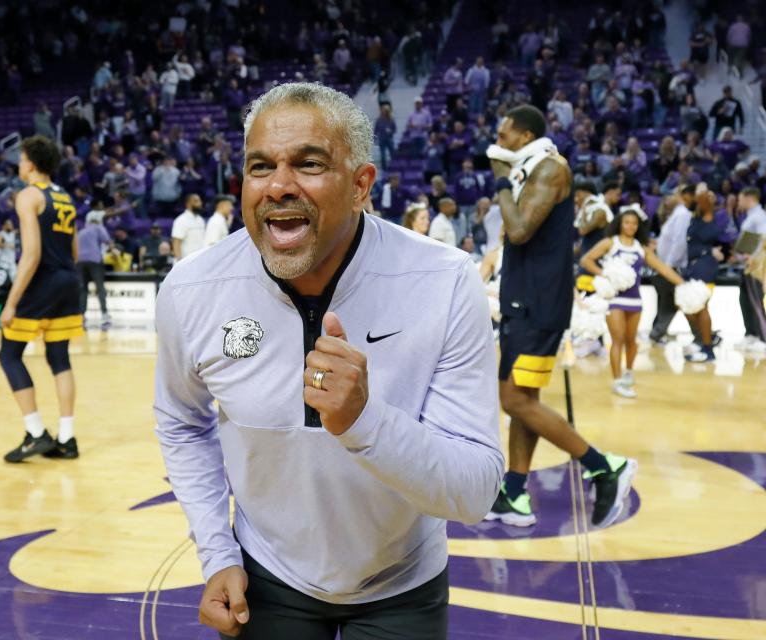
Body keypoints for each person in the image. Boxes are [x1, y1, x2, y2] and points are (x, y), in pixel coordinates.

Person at [155, 82, 502, 640]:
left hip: (403, 579)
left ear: (362, 185)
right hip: (265, 572)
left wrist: (365, 423)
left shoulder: (444, 280)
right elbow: (179, 421)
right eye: (260, 166)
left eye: (309, 164)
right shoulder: (192, 289)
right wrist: (217, 551)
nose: (279, 186)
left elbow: (475, 492)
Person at [486, 105, 637, 528]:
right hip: (525, 297)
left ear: (524, 133)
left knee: (514, 399)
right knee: (523, 401)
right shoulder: (532, 167)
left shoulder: (550, 168)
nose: (498, 138)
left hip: (538, 301)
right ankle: (514, 494)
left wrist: (500, 178)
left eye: (504, 131)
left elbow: (517, 230)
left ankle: (604, 466)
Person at [0, 136, 83, 462]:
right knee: (59, 359)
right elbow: (74, 251)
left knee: (9, 354)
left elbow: (31, 254)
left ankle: (35, 432)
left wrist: (12, 302)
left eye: (21, 160)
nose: (19, 166)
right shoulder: (65, 197)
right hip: (67, 281)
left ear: (31, 164)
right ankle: (67, 437)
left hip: (43, 280)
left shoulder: (28, 195)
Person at [580, 206, 684, 398]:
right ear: (620, 224)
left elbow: (663, 269)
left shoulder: (640, 248)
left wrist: (684, 285)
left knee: (631, 340)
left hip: (634, 299)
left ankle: (628, 372)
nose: (630, 226)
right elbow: (586, 260)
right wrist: (605, 274)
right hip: (615, 299)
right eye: (627, 222)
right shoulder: (610, 243)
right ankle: (617, 381)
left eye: (634, 223)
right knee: (617, 339)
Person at [650, 186, 696, 344]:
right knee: (667, 301)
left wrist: (668, 266)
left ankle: (657, 332)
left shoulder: (682, 214)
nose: (671, 197)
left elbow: (679, 242)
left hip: (672, 267)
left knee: (673, 302)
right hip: (665, 266)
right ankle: (657, 332)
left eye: (675, 193)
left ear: (684, 195)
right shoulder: (677, 214)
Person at [681, 189, 723, 362]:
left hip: (705, 268)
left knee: (701, 306)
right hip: (693, 267)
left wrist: (708, 251)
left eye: (708, 198)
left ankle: (708, 348)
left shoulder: (712, 220)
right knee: (688, 308)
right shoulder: (696, 218)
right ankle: (707, 339)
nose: (701, 200)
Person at [736, 187, 766, 351]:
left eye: (740, 199)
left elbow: (764, 239)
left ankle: (763, 338)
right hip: (746, 265)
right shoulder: (752, 216)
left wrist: (752, 257)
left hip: (755, 266)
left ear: (749, 198)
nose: (739, 202)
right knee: (745, 299)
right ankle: (751, 334)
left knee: (755, 301)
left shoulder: (759, 217)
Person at [77, 209, 113, 330]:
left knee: (83, 289)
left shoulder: (81, 231)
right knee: (100, 288)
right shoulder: (98, 228)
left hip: (80, 262)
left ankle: (81, 316)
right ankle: (104, 315)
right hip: (94, 260)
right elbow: (108, 241)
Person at [171, 193, 206, 260]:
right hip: (187, 261)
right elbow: (176, 241)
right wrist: (179, 260)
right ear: (188, 204)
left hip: (200, 259)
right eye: (196, 201)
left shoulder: (201, 220)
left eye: (200, 201)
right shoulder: (181, 220)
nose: (200, 203)